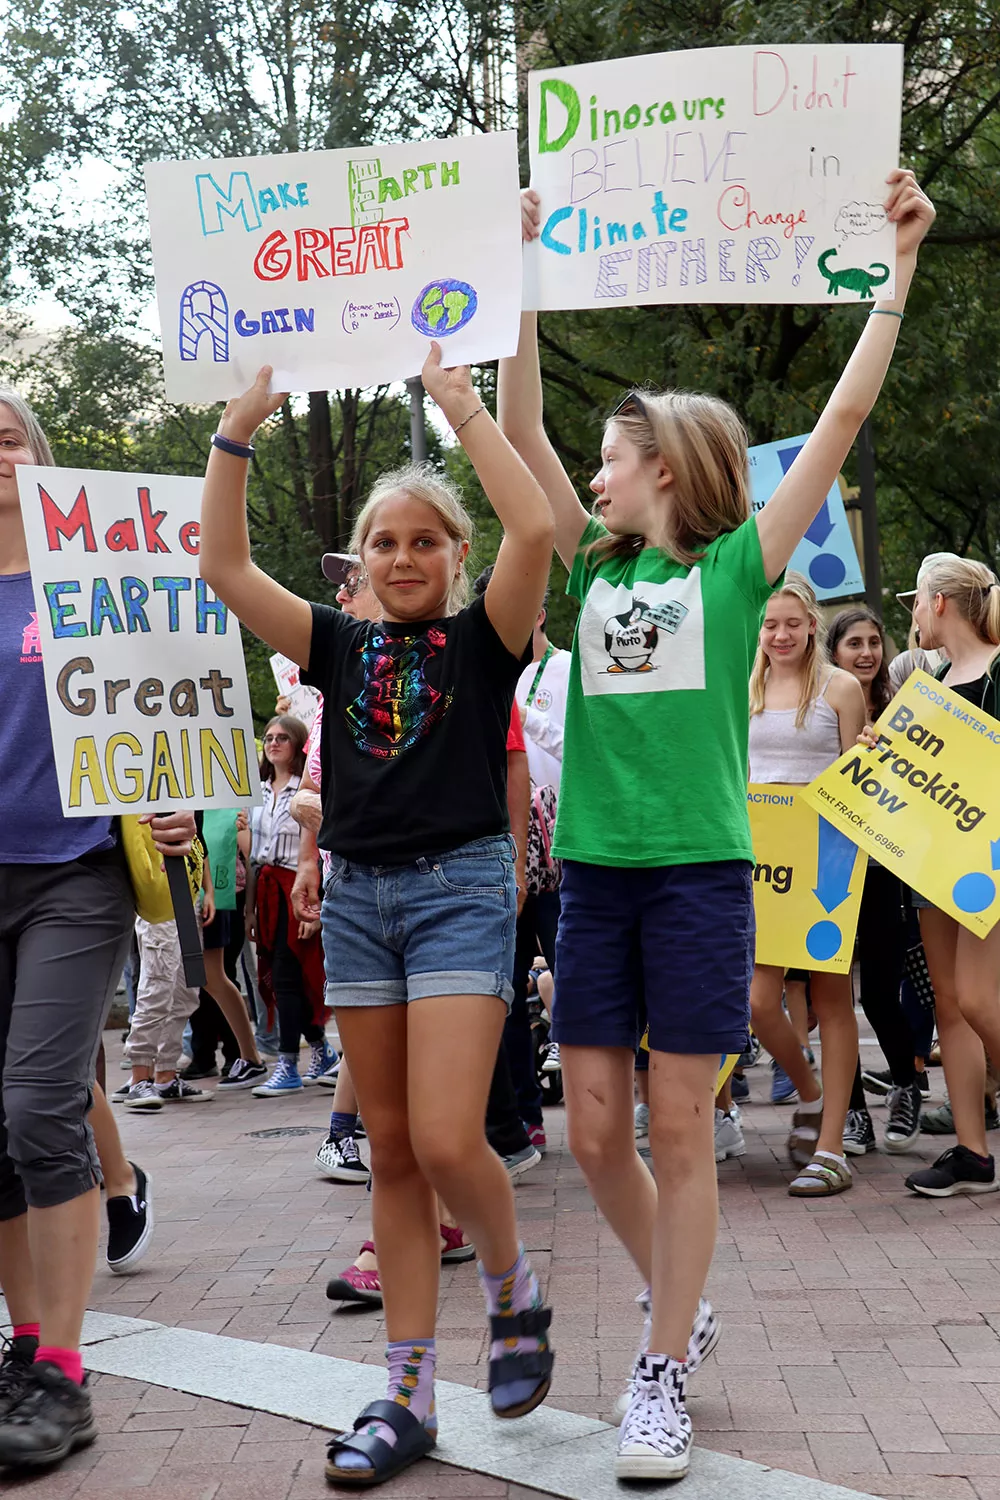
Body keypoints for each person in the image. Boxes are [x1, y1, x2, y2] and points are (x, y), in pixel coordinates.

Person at [502, 171, 934, 1479]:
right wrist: (519, 276)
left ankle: (661, 1366)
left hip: (695, 882)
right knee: (591, 1131)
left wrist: (897, 269)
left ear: (666, 472)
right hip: (593, 882)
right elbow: (519, 428)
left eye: (612, 454)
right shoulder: (589, 561)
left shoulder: (744, 565)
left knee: (681, 1128)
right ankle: (680, 1301)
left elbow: (847, 412)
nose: (591, 468)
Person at [199, 341, 555, 1488]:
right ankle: (406, 1392)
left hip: (458, 893)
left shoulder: (487, 638)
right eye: (386, 543)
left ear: (457, 557)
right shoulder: (336, 640)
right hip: (357, 904)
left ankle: (509, 1282)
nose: (404, 558)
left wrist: (462, 410)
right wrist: (236, 431)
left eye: (426, 541)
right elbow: (223, 564)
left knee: (452, 1139)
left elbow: (538, 530)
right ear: (364, 562)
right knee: (392, 1152)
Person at [0, 383, 198, 1468]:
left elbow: (172, 708)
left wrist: (177, 792)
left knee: (39, 1103)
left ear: (45, 458)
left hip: (75, 871)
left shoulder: (97, 582)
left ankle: (65, 1378)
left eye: (11, 432)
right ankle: (25, 1348)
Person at [748, 577, 867, 1193]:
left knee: (831, 998)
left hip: (827, 863)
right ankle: (812, 1088)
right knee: (758, 1000)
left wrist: (871, 749)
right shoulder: (745, 683)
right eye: (770, 625)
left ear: (812, 624)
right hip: (759, 865)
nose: (780, 635)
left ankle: (831, 1147)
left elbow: (859, 780)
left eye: (791, 623)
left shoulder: (840, 688)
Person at [889, 555, 1000, 1197]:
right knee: (952, 1006)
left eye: (915, 602)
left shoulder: (995, 670)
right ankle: (971, 1153)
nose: (912, 616)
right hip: (932, 862)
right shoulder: (927, 680)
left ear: (938, 603)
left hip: (984, 867)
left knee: (980, 999)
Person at [826, 607, 923, 1155]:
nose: (866, 652)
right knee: (832, 993)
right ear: (834, 652)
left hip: (884, 870)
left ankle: (907, 1085)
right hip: (829, 869)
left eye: (873, 642)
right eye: (853, 643)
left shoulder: (904, 710)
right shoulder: (819, 705)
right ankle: (854, 1112)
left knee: (883, 991)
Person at [247, 714, 334, 1096]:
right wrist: (250, 910)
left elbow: (317, 848)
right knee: (284, 977)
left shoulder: (307, 790)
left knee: (290, 975)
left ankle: (287, 1065)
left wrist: (317, 910)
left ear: (299, 743)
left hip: (296, 887)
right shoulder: (257, 790)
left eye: (283, 737)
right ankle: (320, 1049)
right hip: (266, 889)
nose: (273, 743)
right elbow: (254, 855)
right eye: (268, 737)